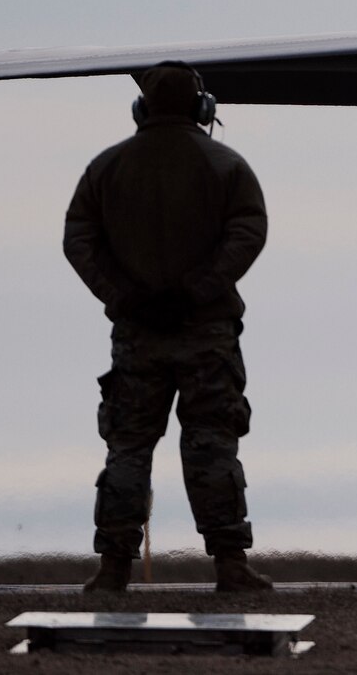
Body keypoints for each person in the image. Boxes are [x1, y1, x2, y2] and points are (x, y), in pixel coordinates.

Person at [63, 62, 273, 593]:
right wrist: (199, 289)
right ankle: (230, 564)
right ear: (203, 109)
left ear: (142, 109)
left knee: (128, 448)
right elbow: (249, 230)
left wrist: (124, 294)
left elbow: (79, 238)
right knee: (211, 445)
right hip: (207, 333)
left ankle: (112, 569)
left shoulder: (107, 168)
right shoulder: (226, 165)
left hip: (137, 336)